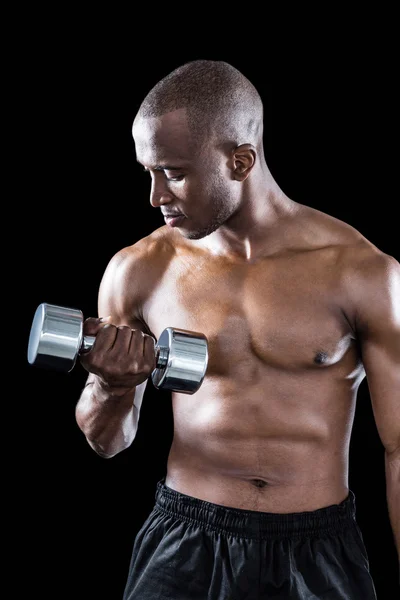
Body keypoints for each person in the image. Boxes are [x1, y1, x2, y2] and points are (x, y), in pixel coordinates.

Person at [74, 59, 399, 599]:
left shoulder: (359, 272)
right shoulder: (139, 270)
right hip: (185, 540)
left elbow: (396, 448)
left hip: (318, 550)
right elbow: (107, 442)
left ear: (241, 160)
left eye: (174, 173)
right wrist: (111, 385)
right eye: (148, 172)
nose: (155, 196)